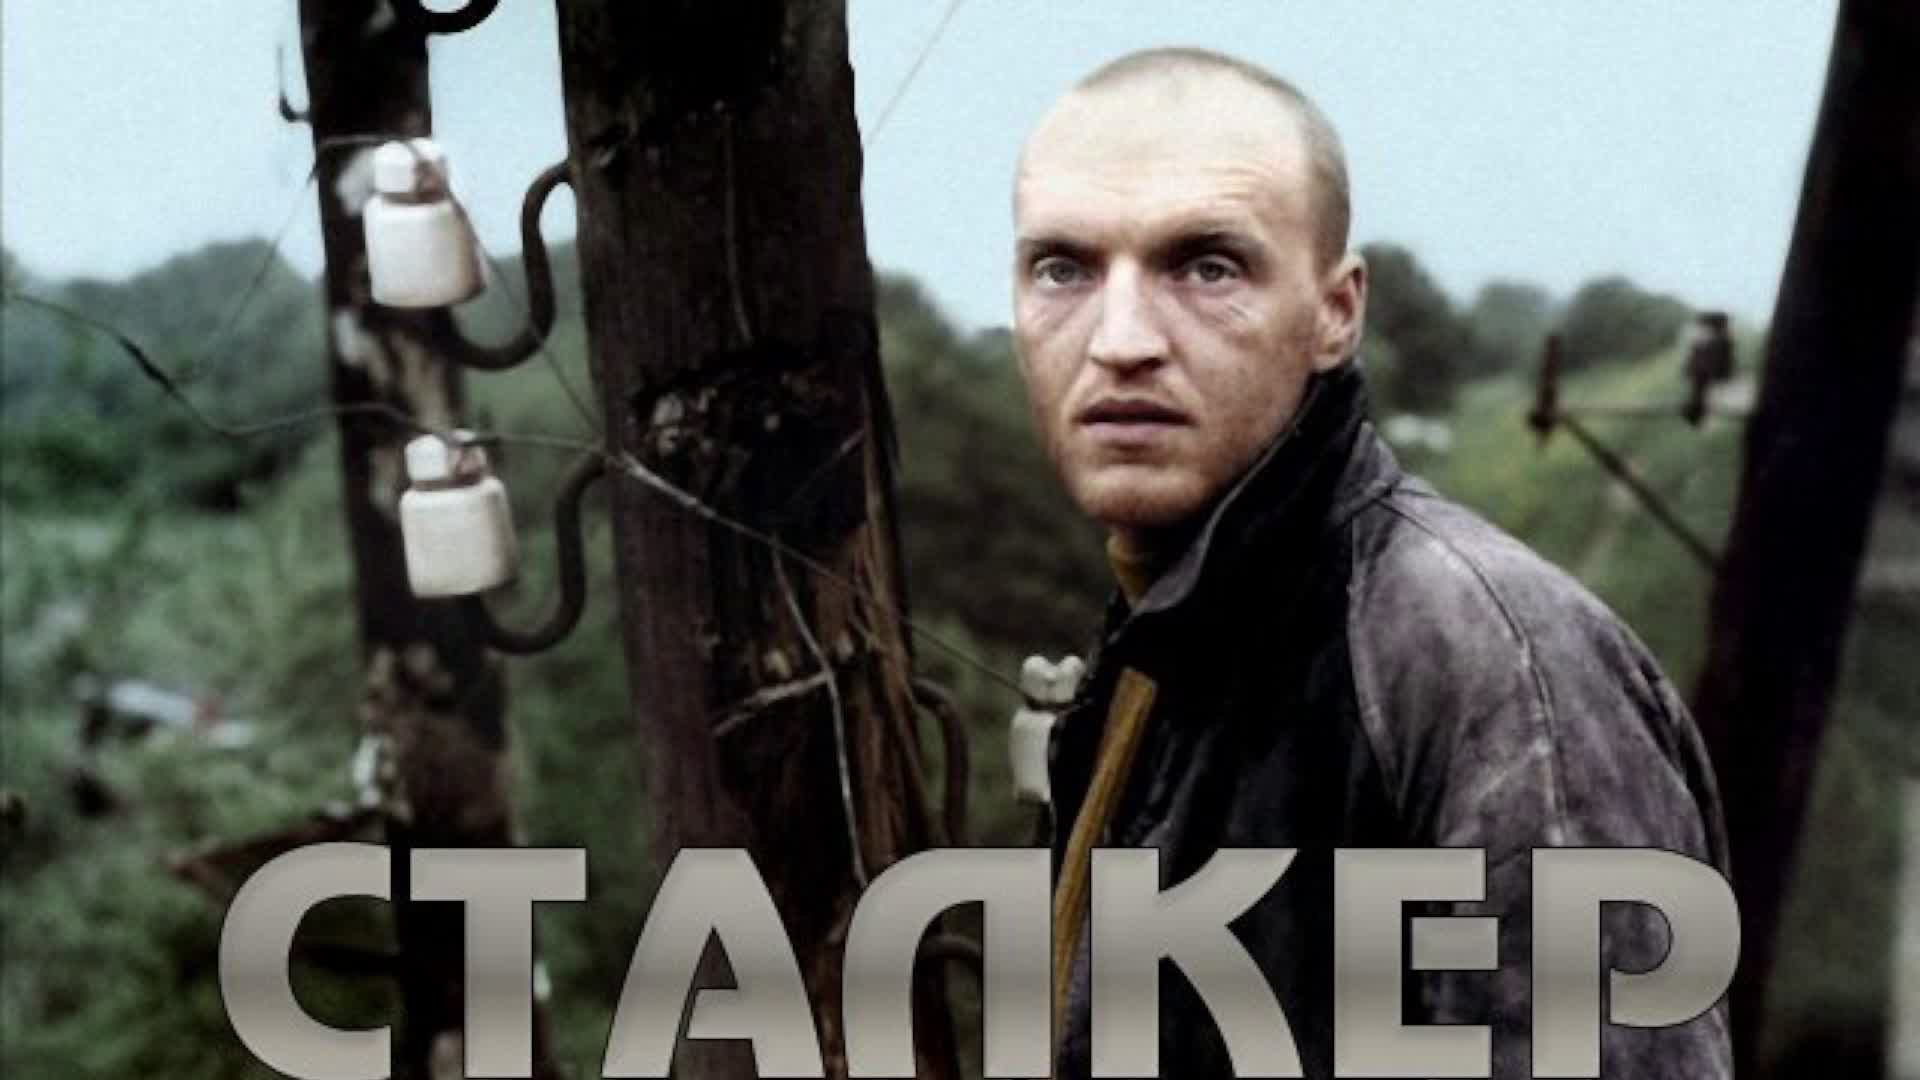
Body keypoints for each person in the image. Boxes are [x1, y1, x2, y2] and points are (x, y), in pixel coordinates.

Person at [1010, 47, 1733, 1078]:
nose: (1121, 339)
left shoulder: (1495, 665)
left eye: (1207, 267)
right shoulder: (1162, 636)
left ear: (1336, 313)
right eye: (1063, 269)